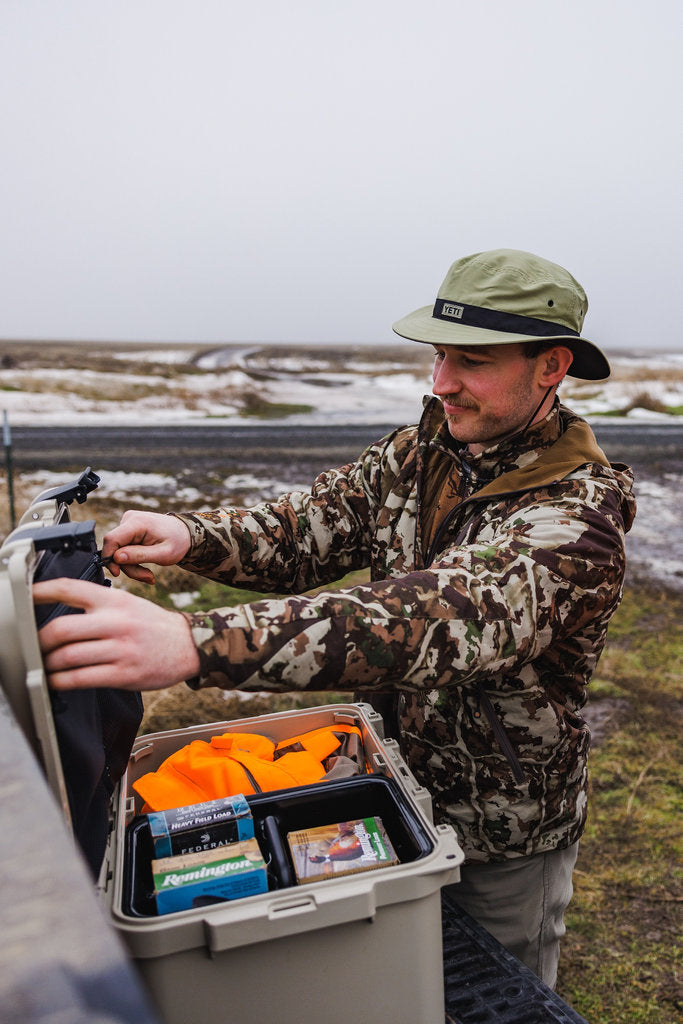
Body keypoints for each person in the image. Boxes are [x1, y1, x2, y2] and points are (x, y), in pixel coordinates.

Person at [34, 248, 636, 988]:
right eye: (440, 355)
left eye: (471, 361)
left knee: (491, 996)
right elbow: (310, 526)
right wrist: (193, 536)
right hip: (383, 784)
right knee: (387, 988)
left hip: (498, 836)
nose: (441, 382)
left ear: (550, 367)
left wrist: (197, 643)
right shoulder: (423, 453)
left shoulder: (577, 518)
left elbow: (438, 618)